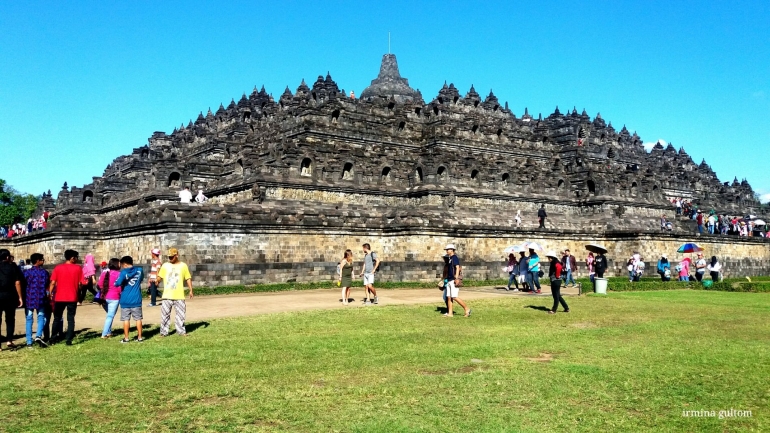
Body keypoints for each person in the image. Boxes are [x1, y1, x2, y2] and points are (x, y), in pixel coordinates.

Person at [156, 248, 194, 337]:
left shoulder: (183, 266)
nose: (170, 259)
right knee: (165, 315)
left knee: (181, 315)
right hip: (167, 295)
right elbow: (160, 276)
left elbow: (188, 278)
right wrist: (157, 281)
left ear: (177, 255)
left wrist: (191, 290)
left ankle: (181, 331)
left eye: (172, 257)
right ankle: (163, 332)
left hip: (179, 295)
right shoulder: (165, 265)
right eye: (169, 257)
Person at [49, 249, 83, 345]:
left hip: (60, 297)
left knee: (57, 318)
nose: (77, 259)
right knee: (70, 318)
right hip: (72, 297)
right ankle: (69, 339)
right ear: (72, 258)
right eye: (76, 257)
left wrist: (50, 293)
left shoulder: (58, 268)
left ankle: (53, 338)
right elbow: (81, 284)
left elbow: (53, 283)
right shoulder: (78, 268)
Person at [114, 256, 144, 343]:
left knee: (126, 319)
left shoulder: (123, 273)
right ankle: (140, 337)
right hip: (136, 299)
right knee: (138, 319)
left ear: (125, 264)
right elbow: (141, 278)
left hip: (125, 299)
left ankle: (126, 338)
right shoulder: (139, 270)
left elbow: (117, 283)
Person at [23, 253, 49, 348]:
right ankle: (38, 335)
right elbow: (47, 285)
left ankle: (29, 341)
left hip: (29, 298)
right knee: (41, 317)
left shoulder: (26, 272)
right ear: (38, 260)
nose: (43, 261)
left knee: (29, 319)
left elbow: (23, 284)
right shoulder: (44, 273)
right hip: (41, 298)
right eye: (42, 259)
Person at [0, 249, 24, 350]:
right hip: (10, 295)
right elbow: (17, 282)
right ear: (7, 257)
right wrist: (20, 297)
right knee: (10, 319)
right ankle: (9, 340)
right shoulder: (13, 267)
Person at [443, 244, 470, 317]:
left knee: (454, 296)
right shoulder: (449, 258)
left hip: (453, 279)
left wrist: (456, 278)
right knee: (448, 297)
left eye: (448, 249)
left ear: (452, 250)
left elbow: (457, 267)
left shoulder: (454, 258)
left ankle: (466, 308)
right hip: (449, 279)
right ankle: (450, 313)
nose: (446, 251)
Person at [98, 258, 121, 338]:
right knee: (110, 316)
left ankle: (108, 332)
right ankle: (104, 334)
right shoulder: (119, 274)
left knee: (109, 315)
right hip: (114, 298)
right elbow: (120, 287)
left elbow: (99, 285)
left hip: (104, 297)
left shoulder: (104, 273)